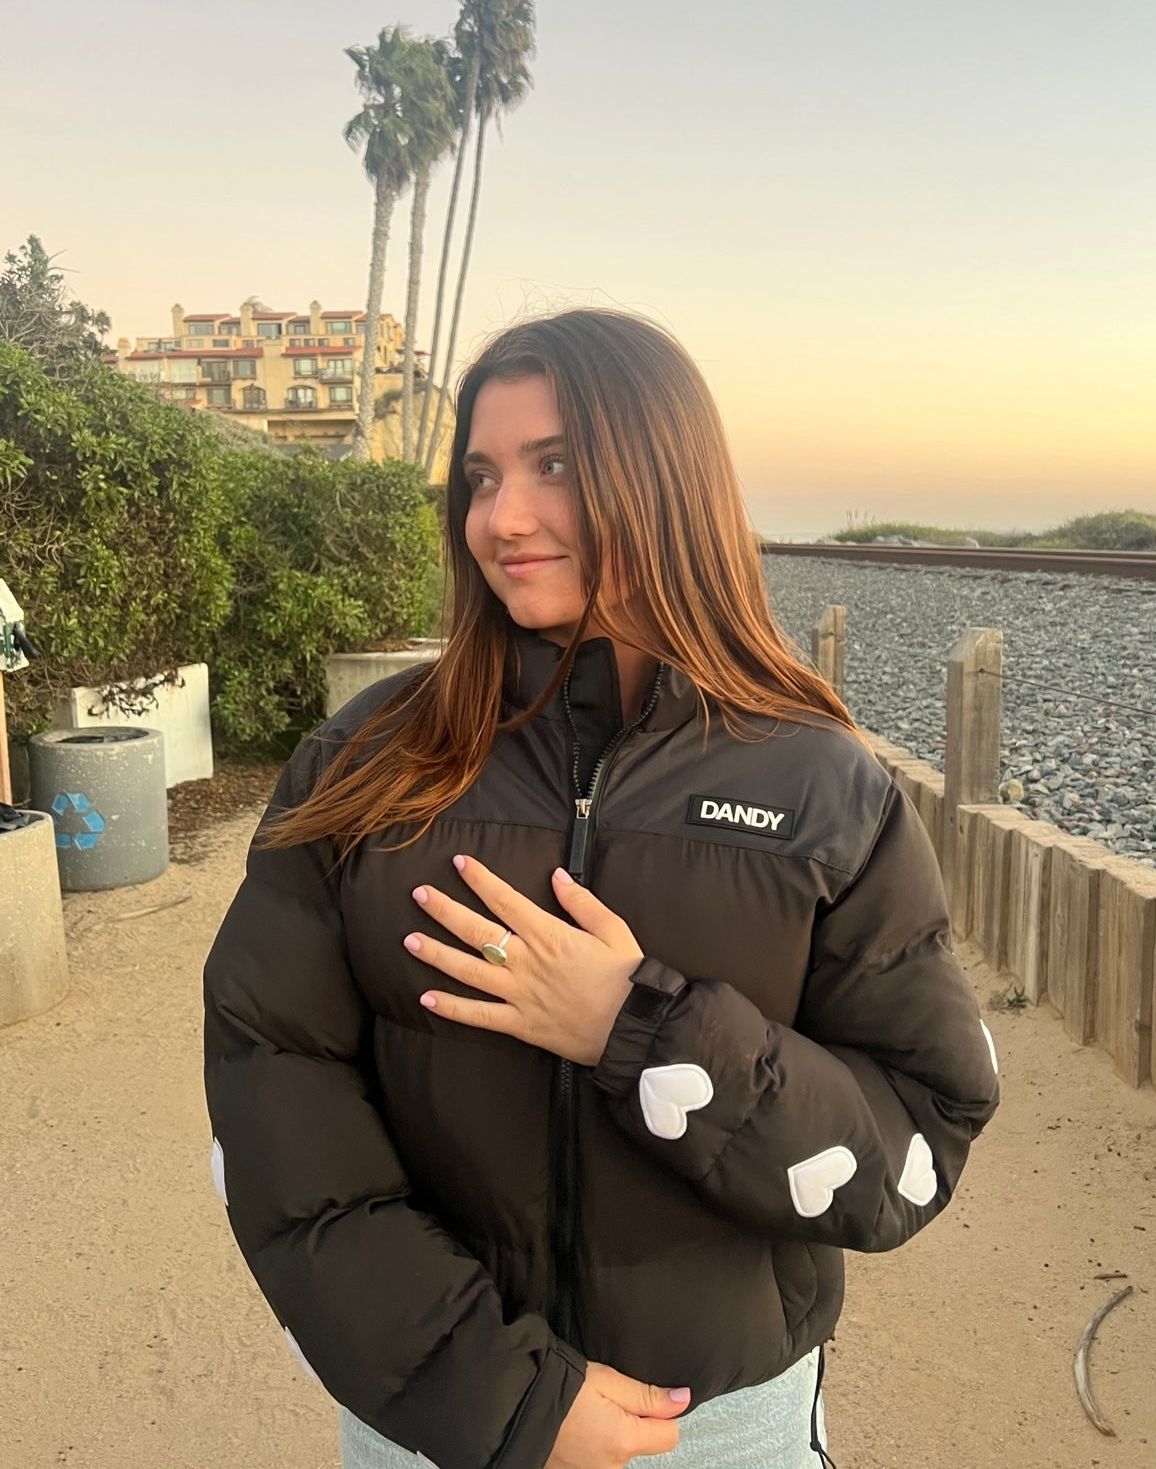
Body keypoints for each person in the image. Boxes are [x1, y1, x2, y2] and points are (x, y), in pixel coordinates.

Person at [203, 309, 1000, 1469]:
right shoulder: (360, 762)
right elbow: (273, 1106)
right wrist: (497, 1392)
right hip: (434, 1422)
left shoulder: (822, 786)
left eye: (556, 466)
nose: (502, 517)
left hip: (718, 1430)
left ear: (667, 481)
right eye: (482, 476)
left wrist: (643, 1031)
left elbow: (915, 1137)